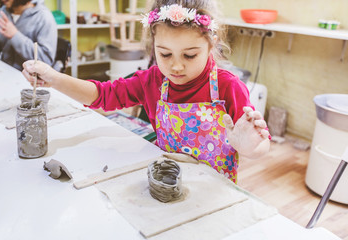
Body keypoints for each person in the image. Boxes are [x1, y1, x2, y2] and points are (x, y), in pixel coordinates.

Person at [22, 0, 270, 183]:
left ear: (211, 43)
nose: (176, 65)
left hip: (214, 189)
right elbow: (103, 95)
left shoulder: (228, 87)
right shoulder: (152, 80)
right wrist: (54, 79)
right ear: (153, 46)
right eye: (164, 54)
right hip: (166, 180)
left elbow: (259, 147)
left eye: (190, 55)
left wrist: (250, 147)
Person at [0, 0, 57, 70]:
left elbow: (46, 60)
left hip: (29, 77)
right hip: (3, 72)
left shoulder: (44, 17)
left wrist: (15, 35)